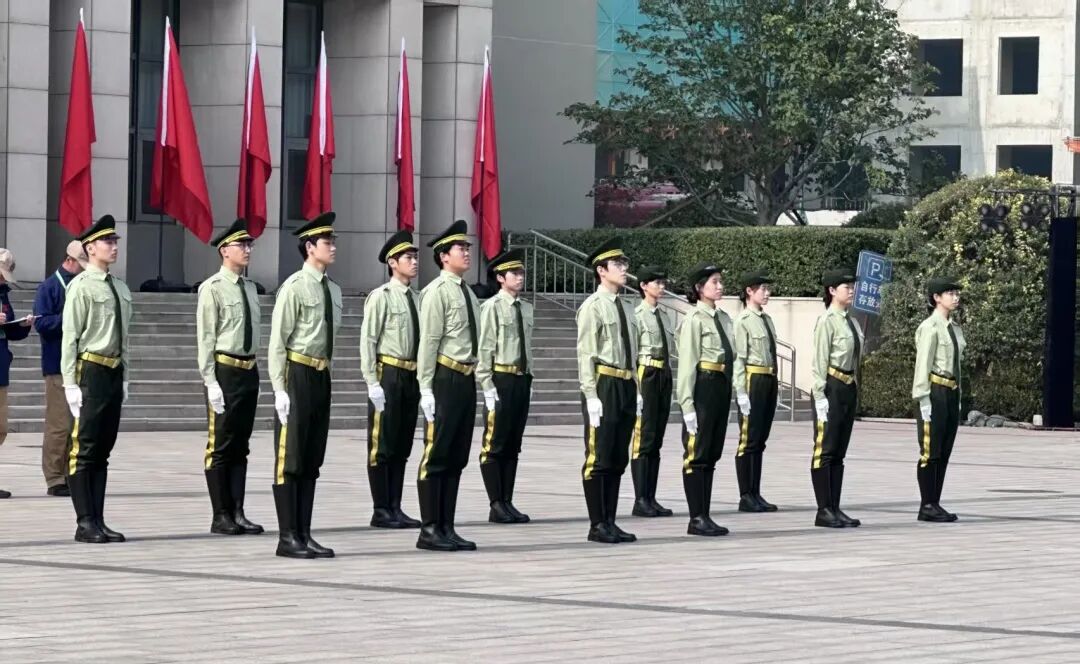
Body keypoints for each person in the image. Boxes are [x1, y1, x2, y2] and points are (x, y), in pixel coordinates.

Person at [268, 212, 342, 559]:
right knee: (292, 457)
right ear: (310, 247)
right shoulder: (295, 287)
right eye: (327, 242)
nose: (333, 247)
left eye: (333, 241)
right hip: (297, 372)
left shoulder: (332, 290)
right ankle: (288, 536)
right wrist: (279, 389)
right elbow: (278, 342)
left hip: (320, 374)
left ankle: (305, 532)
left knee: (312, 457)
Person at [61, 215, 132, 543]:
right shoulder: (81, 286)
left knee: (103, 449)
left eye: (115, 241)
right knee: (84, 448)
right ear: (90, 248)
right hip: (90, 369)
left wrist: (125, 376)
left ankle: (98, 519)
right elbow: (70, 337)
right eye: (108, 242)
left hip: (113, 371)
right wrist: (70, 383)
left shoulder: (120, 287)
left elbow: (125, 337)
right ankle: (84, 521)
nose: (114, 247)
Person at [416, 220, 481, 551]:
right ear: (444, 256)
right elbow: (429, 342)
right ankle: (430, 528)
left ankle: (447, 525)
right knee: (437, 453)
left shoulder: (467, 292)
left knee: (457, 455)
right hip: (445, 376)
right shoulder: (436, 292)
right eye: (460, 248)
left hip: (465, 377)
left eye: (468, 248)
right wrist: (425, 387)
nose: (467, 253)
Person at [196, 219, 263, 536]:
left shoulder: (249, 288)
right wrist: (210, 381)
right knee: (220, 444)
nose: (247, 250)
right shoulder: (212, 288)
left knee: (241, 445)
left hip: (249, 369)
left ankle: (238, 511)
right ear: (224, 250)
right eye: (241, 245)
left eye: (249, 245)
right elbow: (206, 338)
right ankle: (220, 514)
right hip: (225, 370)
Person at [576, 238, 640, 544]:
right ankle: (597, 523)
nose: (624, 269)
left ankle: (611, 521)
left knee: (617, 457)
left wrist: (636, 388)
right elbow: (586, 353)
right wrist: (590, 395)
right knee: (599, 455)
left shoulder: (626, 307)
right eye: (618, 264)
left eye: (624, 263)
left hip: (625, 382)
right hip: (605, 382)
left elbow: (633, 352)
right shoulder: (593, 307)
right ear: (601, 270)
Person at [361, 230, 422, 529]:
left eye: (415, 257)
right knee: (382, 443)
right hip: (389, 372)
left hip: (411, 374)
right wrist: (372, 381)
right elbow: (368, 340)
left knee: (402, 443)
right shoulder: (381, 296)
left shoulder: (418, 299)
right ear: (392, 263)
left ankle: (396, 506)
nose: (414, 262)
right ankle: (381, 508)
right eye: (408, 258)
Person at [675, 262, 734, 537]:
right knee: (697, 453)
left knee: (711, 452)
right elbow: (687, 364)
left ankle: (705, 514)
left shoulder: (724, 318)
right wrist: (687, 404)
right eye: (714, 282)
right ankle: (696, 517)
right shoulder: (694, 320)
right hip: (703, 384)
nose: (720, 286)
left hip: (721, 383)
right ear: (699, 288)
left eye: (720, 281)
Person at [475, 248, 533, 524]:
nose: (520, 277)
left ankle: (507, 501)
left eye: (521, 272)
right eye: (514, 273)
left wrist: (530, 377)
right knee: (495, 443)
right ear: (500, 278)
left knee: (513, 444)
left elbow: (528, 347)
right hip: (501, 378)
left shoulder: (526, 308)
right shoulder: (492, 308)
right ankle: (496, 502)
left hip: (521, 378)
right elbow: (485, 348)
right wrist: (487, 384)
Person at [810, 268, 864, 528]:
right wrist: (819, 395)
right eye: (846, 287)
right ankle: (824, 509)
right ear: (832, 291)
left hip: (848, 386)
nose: (851, 290)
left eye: (852, 286)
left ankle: (835, 507)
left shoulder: (851, 322)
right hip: (831, 386)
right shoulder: (827, 321)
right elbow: (819, 361)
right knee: (826, 449)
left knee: (839, 451)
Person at [33, 241, 87, 497]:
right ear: (70, 260)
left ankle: (70, 472)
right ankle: (54, 477)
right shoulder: (50, 287)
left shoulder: (83, 285)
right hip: (57, 366)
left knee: (77, 426)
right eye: (82, 264)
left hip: (81, 363)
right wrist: (70, 318)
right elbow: (41, 323)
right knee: (59, 424)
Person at [912, 277, 965, 523]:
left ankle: (935, 502)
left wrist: (959, 396)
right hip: (934, 391)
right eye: (950, 293)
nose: (955, 297)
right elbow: (923, 365)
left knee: (944, 451)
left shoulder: (954, 328)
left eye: (956, 293)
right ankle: (927, 504)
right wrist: (922, 398)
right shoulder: (929, 327)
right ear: (936, 297)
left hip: (951, 392)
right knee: (930, 451)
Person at [732, 270, 780, 512]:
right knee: (748, 439)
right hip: (753, 378)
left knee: (760, 439)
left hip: (768, 378)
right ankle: (746, 494)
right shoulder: (743, 321)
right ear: (749, 291)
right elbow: (739, 358)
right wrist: (741, 390)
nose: (767, 293)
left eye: (768, 289)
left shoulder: (766, 319)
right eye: (762, 289)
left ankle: (756, 492)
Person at [630, 265, 673, 518]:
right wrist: (636, 388)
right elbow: (632, 353)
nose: (661, 287)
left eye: (663, 282)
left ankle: (651, 497)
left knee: (656, 438)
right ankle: (640, 498)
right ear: (643, 286)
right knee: (643, 437)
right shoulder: (637, 315)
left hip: (663, 374)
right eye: (656, 283)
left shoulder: (664, 316)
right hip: (646, 373)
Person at [0, 249, 36, 498]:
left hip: (1, 367)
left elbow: (8, 330)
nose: (3, 279)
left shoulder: (3, 294)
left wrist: (22, 326)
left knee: (1, 427)